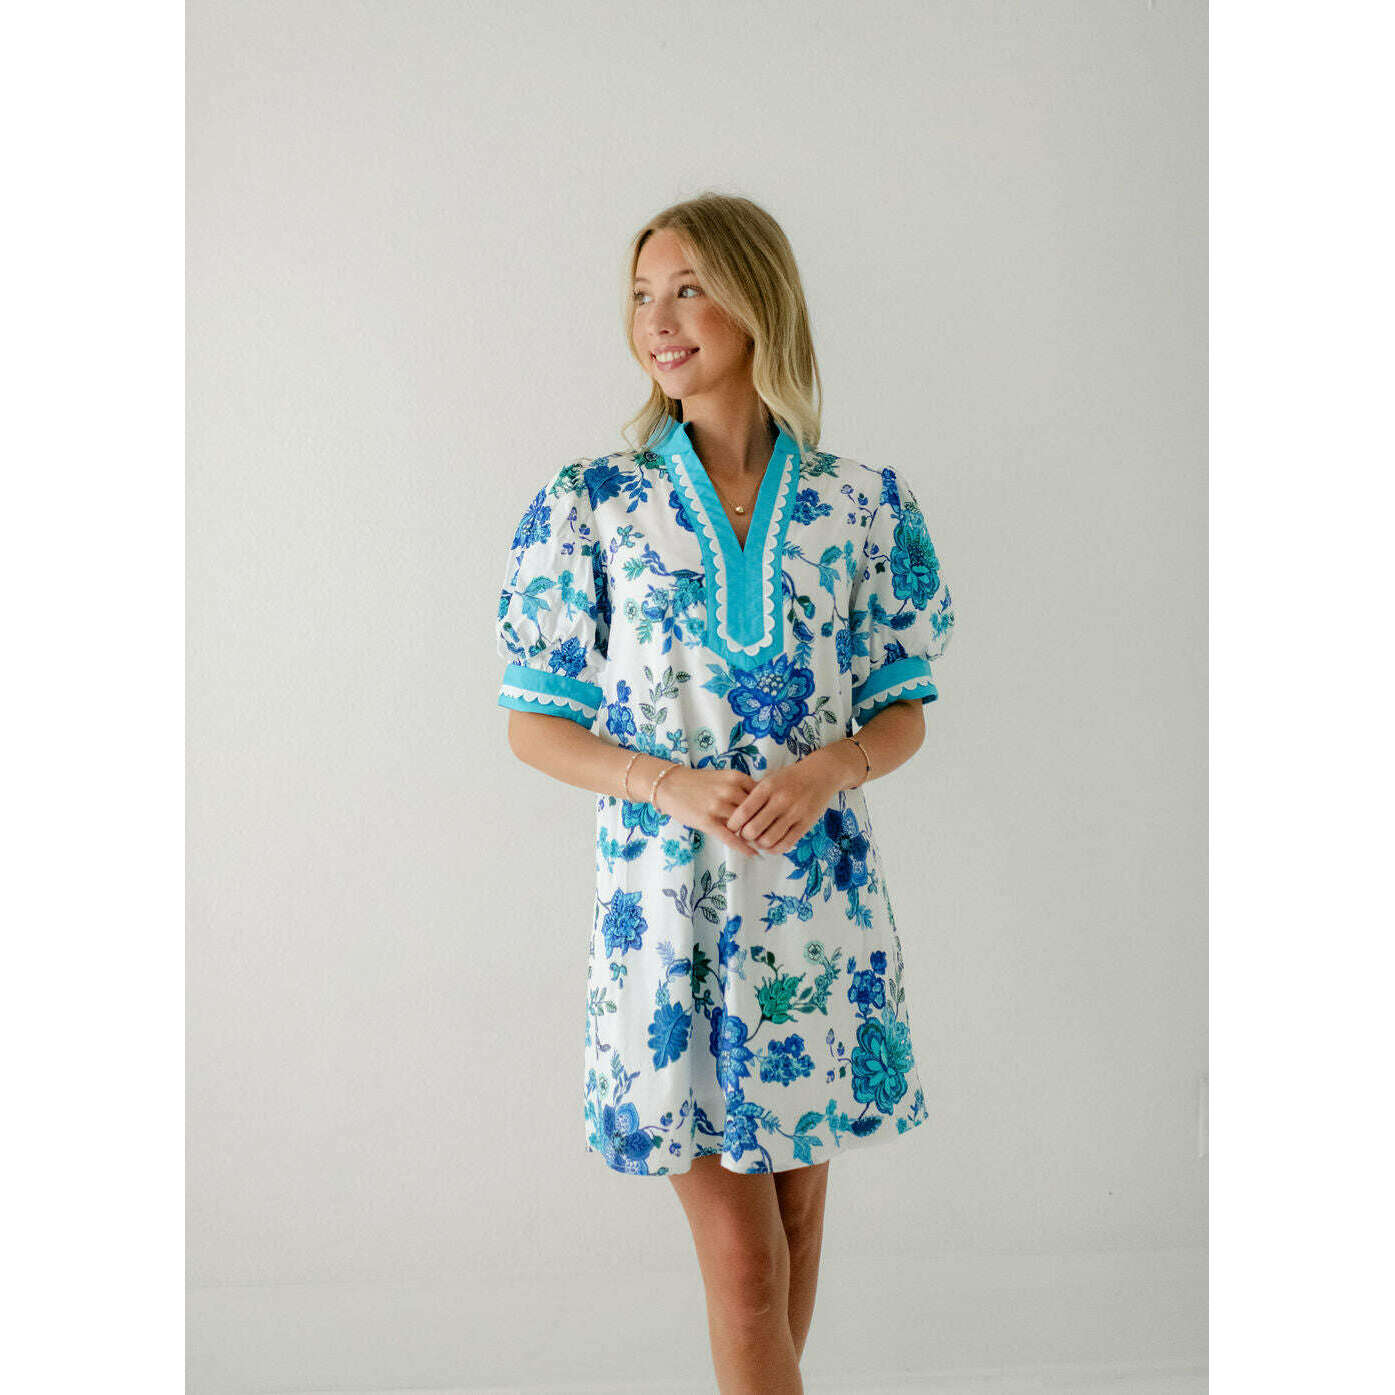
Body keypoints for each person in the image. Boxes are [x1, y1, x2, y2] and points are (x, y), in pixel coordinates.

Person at [494, 191, 957, 1394]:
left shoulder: (862, 503)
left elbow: (903, 708)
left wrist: (829, 766)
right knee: (748, 1270)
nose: (658, 319)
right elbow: (533, 725)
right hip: (669, 928)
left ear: (759, 303)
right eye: (642, 295)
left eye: (688, 289)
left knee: (792, 1240)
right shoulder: (592, 503)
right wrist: (669, 782)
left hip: (819, 922)